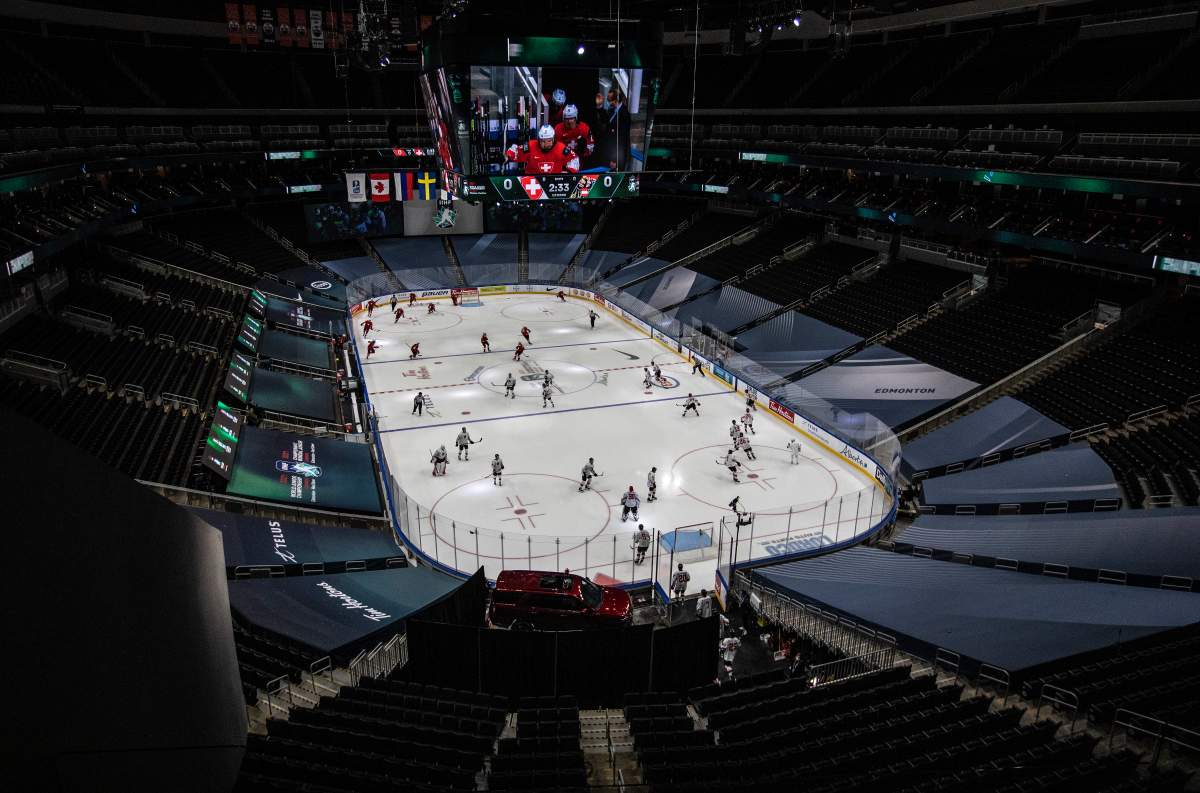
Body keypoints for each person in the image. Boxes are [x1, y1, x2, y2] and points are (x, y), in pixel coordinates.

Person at [505, 124, 581, 175]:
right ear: (539, 139)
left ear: (553, 139)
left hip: (554, 183)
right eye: (543, 141)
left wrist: (568, 174)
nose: (546, 144)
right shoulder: (530, 146)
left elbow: (574, 159)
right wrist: (507, 156)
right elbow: (515, 152)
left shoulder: (561, 148)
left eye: (549, 141)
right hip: (532, 184)